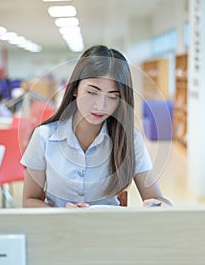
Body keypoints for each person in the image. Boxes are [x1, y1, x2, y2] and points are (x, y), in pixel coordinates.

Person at [21, 45, 172, 208]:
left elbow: (158, 199)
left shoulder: (130, 140)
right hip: (59, 230)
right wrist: (62, 214)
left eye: (113, 97)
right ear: (75, 88)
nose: (101, 105)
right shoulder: (43, 136)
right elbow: (29, 201)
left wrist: (161, 206)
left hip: (108, 231)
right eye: (92, 92)